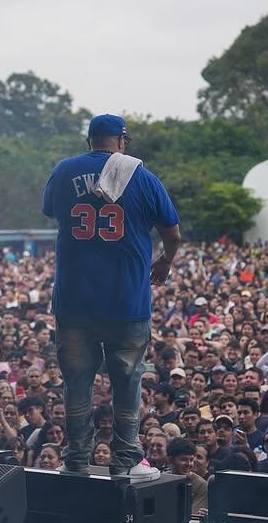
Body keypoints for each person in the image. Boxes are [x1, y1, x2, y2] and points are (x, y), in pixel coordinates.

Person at [42, 113, 181, 483]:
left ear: (89, 141)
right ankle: (127, 460)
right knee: (127, 383)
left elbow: (51, 210)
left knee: (76, 384)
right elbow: (173, 234)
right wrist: (165, 262)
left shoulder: (64, 171)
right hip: (126, 301)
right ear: (122, 141)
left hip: (74, 301)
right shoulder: (143, 176)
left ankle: (75, 460)